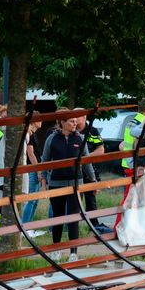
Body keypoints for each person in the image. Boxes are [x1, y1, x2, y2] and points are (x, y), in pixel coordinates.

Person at [40, 110, 96, 263]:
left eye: (75, 121)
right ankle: (56, 250)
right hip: (56, 184)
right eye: (71, 121)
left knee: (73, 218)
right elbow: (45, 160)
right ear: (62, 123)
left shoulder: (80, 138)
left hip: (75, 184)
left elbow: (86, 161)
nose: (75, 123)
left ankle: (73, 252)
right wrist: (43, 180)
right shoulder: (52, 139)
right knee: (57, 217)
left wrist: (93, 180)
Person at [75, 110, 112, 234]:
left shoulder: (93, 131)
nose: (75, 120)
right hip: (74, 172)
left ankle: (94, 226)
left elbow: (101, 150)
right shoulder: (71, 131)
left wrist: (85, 158)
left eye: (78, 116)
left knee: (91, 199)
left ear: (84, 117)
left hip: (90, 170)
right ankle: (70, 225)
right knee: (74, 199)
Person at [121, 99, 145, 179]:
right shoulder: (144, 124)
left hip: (126, 162)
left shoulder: (131, 122)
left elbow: (125, 143)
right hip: (135, 164)